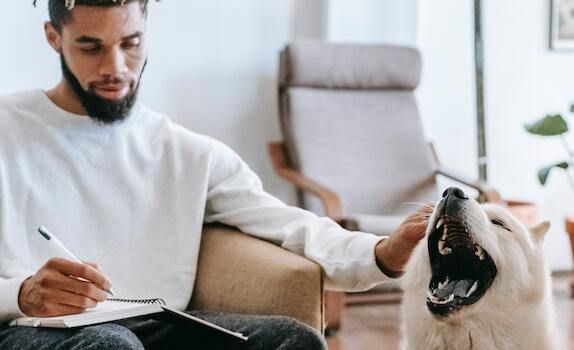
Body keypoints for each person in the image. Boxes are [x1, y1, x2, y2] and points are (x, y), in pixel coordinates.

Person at [0, 1, 430, 349]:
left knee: (293, 340)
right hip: (30, 326)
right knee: (109, 345)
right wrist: (20, 293)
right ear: (54, 38)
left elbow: (287, 225)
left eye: (130, 43)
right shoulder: (8, 130)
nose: (116, 67)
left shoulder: (187, 152)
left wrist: (380, 254)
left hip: (158, 324)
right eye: (90, 47)